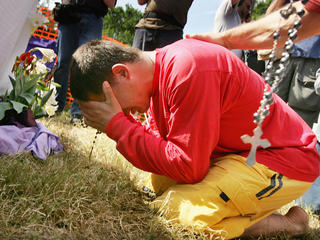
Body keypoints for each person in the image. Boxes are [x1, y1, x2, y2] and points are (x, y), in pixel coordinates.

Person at [69, 38, 319, 239]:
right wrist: (123, 126)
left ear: (122, 73)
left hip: (281, 159)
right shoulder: (159, 75)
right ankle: (236, 203)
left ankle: (290, 224)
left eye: (113, 104)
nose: (122, 113)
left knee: (177, 211)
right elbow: (164, 150)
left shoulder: (189, 68)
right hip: (236, 154)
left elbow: (188, 168)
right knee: (160, 183)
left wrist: (119, 127)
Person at [53, 0, 116, 123]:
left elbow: (111, 4)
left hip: (93, 17)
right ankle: (55, 107)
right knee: (62, 63)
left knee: (85, 66)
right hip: (68, 14)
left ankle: (77, 113)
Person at [187, 0, 320, 52]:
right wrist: (225, 40)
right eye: (248, 6)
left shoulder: (241, 24)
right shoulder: (226, 12)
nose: (250, 10)